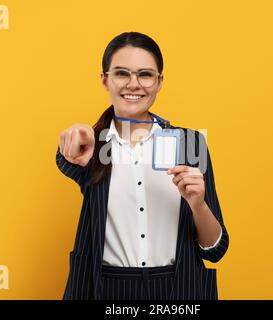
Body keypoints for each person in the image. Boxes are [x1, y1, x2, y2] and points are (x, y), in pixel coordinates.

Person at [56, 32, 229, 300]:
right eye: (122, 73)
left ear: (159, 82)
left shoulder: (190, 143)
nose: (133, 84)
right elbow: (66, 159)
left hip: (178, 289)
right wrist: (73, 139)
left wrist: (198, 204)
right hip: (107, 290)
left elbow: (215, 250)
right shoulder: (92, 146)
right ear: (105, 80)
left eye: (145, 75)